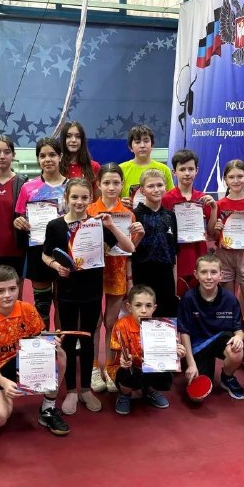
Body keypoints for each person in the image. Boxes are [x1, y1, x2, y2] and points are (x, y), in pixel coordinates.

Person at [42, 178, 135, 414]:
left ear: (90, 199)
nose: (79, 202)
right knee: (69, 339)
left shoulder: (97, 225)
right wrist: (55, 265)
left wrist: (111, 226)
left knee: (88, 338)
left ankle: (85, 388)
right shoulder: (55, 226)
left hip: (92, 291)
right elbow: (45, 254)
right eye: (74, 197)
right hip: (66, 292)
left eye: (84, 197)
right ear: (66, 198)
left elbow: (130, 248)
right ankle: (71, 391)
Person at [0, 265, 69, 436]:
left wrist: (51, 341)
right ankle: (2, 396)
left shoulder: (27, 309)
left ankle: (48, 409)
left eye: (12, 289)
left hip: (25, 364)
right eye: (0, 291)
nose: (7, 295)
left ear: (18, 288)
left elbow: (38, 338)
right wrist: (4, 383)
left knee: (59, 353)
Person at [87, 163, 145, 393]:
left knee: (111, 322)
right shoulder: (90, 210)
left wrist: (129, 278)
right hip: (92, 273)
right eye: (106, 183)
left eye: (116, 183)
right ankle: (93, 367)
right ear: (98, 185)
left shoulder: (128, 214)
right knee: (94, 322)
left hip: (117, 271)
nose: (111, 187)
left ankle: (111, 367)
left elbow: (129, 250)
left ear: (122, 185)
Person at [107, 285, 186, 415]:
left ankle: (150, 390)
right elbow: (116, 356)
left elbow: (169, 355)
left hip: (149, 366)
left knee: (166, 373)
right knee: (126, 373)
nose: (143, 310)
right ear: (129, 307)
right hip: (128, 368)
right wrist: (123, 360)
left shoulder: (163, 326)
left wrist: (177, 353)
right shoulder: (121, 325)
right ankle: (124, 394)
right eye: (138, 305)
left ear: (154, 308)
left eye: (148, 306)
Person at [14, 137, 67, 327]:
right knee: (42, 305)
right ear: (38, 159)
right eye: (43, 156)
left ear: (60, 156)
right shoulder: (28, 187)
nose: (47, 159)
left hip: (65, 251)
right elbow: (20, 216)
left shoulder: (71, 186)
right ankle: (43, 341)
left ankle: (62, 341)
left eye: (52, 154)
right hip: (38, 251)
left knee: (63, 303)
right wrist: (18, 222)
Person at [178, 255, 244, 400]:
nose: (209, 277)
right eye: (204, 272)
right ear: (196, 274)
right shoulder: (188, 298)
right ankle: (201, 365)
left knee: (237, 351)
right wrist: (191, 364)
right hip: (199, 346)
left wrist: (239, 337)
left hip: (221, 339)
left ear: (221, 275)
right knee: (196, 398)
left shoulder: (230, 299)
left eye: (213, 272)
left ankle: (227, 377)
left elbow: (239, 330)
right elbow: (184, 332)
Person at [162, 149, 217, 296]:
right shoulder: (166, 199)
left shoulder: (203, 198)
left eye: (191, 169)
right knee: (178, 296)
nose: (187, 173)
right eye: (182, 169)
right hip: (177, 256)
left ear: (196, 171)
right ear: (174, 172)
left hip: (199, 254)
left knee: (200, 297)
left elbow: (211, 233)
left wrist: (214, 208)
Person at [213, 160, 244, 310]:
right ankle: (231, 325)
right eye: (231, 177)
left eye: (240, 176)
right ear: (225, 180)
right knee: (226, 302)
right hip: (224, 255)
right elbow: (214, 236)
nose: (236, 181)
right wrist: (217, 229)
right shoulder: (219, 205)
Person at [132, 168, 179, 318]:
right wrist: (129, 281)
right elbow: (128, 252)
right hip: (142, 273)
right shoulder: (134, 215)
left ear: (165, 187)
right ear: (142, 190)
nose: (156, 189)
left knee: (166, 317)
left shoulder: (170, 216)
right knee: (144, 316)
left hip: (166, 275)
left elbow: (174, 252)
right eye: (151, 186)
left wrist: (174, 283)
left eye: (159, 185)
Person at [0, 135, 29, 280]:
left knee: (16, 292)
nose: (2, 156)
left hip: (17, 251)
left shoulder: (24, 183)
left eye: (7, 152)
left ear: (13, 155)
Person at [119, 124, 174, 208]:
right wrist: (119, 202)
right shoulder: (121, 169)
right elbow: (111, 197)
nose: (142, 145)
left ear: (152, 145)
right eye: (137, 142)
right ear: (130, 147)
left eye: (146, 141)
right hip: (129, 214)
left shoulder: (164, 169)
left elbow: (171, 198)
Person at [59, 121, 100, 191]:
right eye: (68, 136)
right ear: (63, 140)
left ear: (82, 140)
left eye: (78, 136)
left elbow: (98, 196)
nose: (73, 140)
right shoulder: (56, 167)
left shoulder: (94, 166)